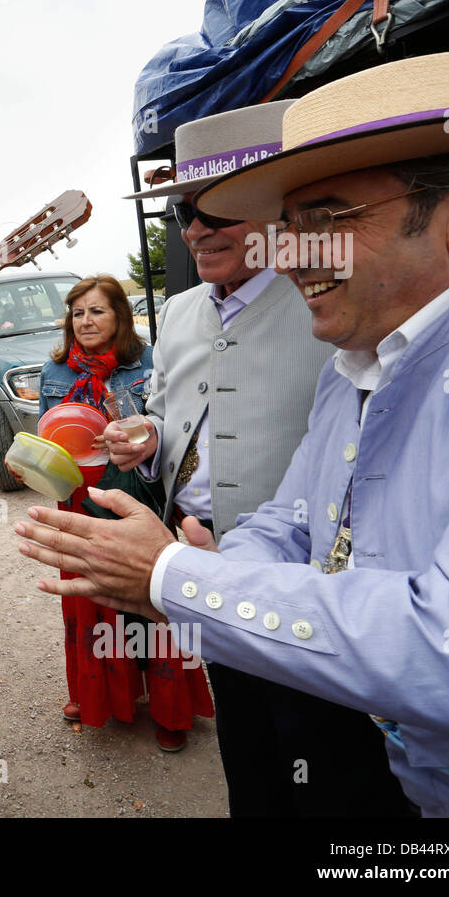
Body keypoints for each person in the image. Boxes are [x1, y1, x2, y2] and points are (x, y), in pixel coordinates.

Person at [16, 49, 449, 817]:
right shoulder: (355, 365)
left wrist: (178, 580)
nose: (294, 253)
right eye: (288, 224)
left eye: (327, 221)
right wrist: (181, 574)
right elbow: (298, 518)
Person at [114, 103, 407, 813]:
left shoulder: (332, 307)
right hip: (209, 569)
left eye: (220, 215)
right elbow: (168, 409)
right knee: (249, 758)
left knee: (329, 763)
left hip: (310, 591)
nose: (196, 231)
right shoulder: (180, 312)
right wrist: (149, 440)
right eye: (187, 216)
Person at [39, 274, 209, 751]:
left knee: (153, 599)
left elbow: (171, 427)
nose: (87, 321)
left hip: (137, 493)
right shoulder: (55, 373)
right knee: (89, 600)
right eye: (78, 313)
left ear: (119, 316)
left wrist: (128, 432)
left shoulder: (147, 361)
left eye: (97, 311)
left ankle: (169, 709)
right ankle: (96, 693)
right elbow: (46, 437)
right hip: (77, 495)